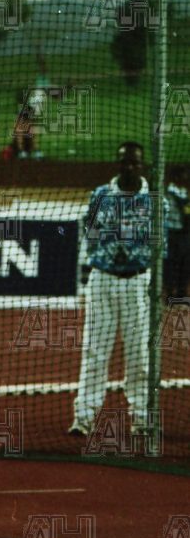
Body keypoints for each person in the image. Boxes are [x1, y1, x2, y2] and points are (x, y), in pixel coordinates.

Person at [70, 142, 165, 437]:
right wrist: (108, 254)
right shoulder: (100, 195)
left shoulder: (154, 201)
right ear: (118, 164)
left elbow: (161, 247)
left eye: (135, 163)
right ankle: (84, 418)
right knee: (95, 351)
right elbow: (90, 234)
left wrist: (140, 264)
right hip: (102, 280)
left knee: (139, 354)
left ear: (142, 166)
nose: (129, 167)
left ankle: (141, 418)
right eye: (124, 162)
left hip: (137, 282)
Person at [164, 164, 190, 301]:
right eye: (183, 175)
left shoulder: (184, 192)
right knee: (171, 263)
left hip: (184, 234)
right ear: (176, 177)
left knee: (185, 262)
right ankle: (170, 290)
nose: (186, 178)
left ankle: (181, 290)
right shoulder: (169, 193)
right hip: (172, 233)